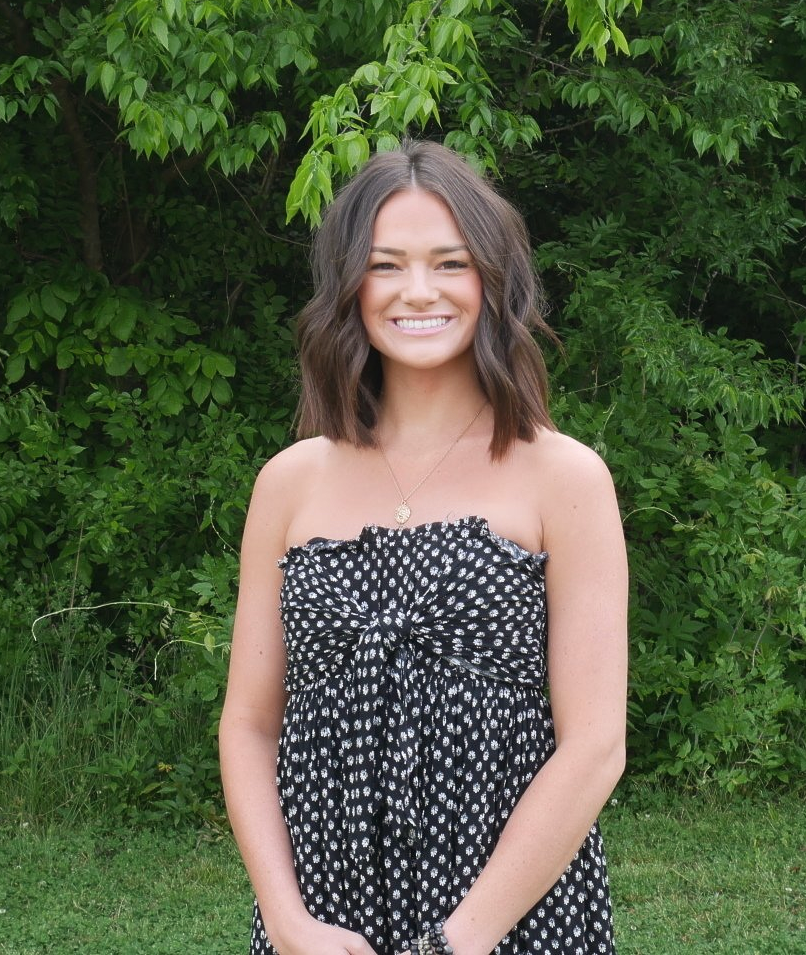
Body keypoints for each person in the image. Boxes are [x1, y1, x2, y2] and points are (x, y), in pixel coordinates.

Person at [219, 140, 628, 955]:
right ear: (349, 285)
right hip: (324, 914)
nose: (417, 291)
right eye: (385, 265)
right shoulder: (289, 482)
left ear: (492, 279)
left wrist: (459, 939)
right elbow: (249, 724)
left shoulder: (564, 477)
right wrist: (288, 920)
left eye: (450, 262)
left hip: (510, 917)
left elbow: (595, 747)